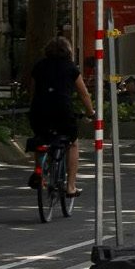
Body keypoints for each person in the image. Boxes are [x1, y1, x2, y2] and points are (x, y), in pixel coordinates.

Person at [28, 36, 94, 196]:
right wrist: (90, 112)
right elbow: (84, 94)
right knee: (72, 144)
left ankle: (39, 172)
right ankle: (71, 186)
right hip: (62, 111)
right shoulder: (70, 68)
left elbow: (32, 91)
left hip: (39, 110)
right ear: (68, 51)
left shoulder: (39, 66)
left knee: (40, 139)